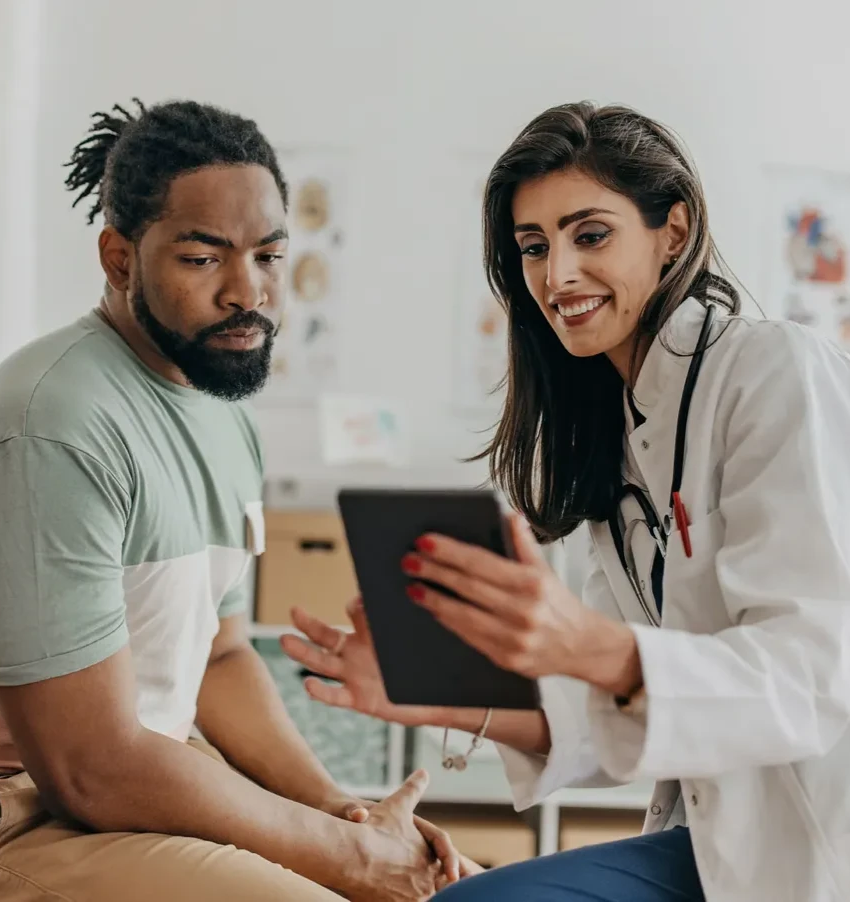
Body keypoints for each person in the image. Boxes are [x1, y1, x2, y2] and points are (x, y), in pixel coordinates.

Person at [283, 101, 850, 901]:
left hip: (821, 844)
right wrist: (445, 699)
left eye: (590, 235)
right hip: (711, 844)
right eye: (532, 248)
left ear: (673, 234)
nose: (557, 276)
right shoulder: (610, 438)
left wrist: (583, 644)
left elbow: (810, 675)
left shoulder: (771, 371)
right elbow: (615, 719)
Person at [0, 98, 477, 902]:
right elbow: (86, 767)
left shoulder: (221, 416)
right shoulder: (50, 429)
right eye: (203, 259)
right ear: (119, 259)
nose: (248, 290)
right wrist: (341, 859)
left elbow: (222, 661)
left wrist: (343, 813)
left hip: (138, 771)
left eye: (268, 256)